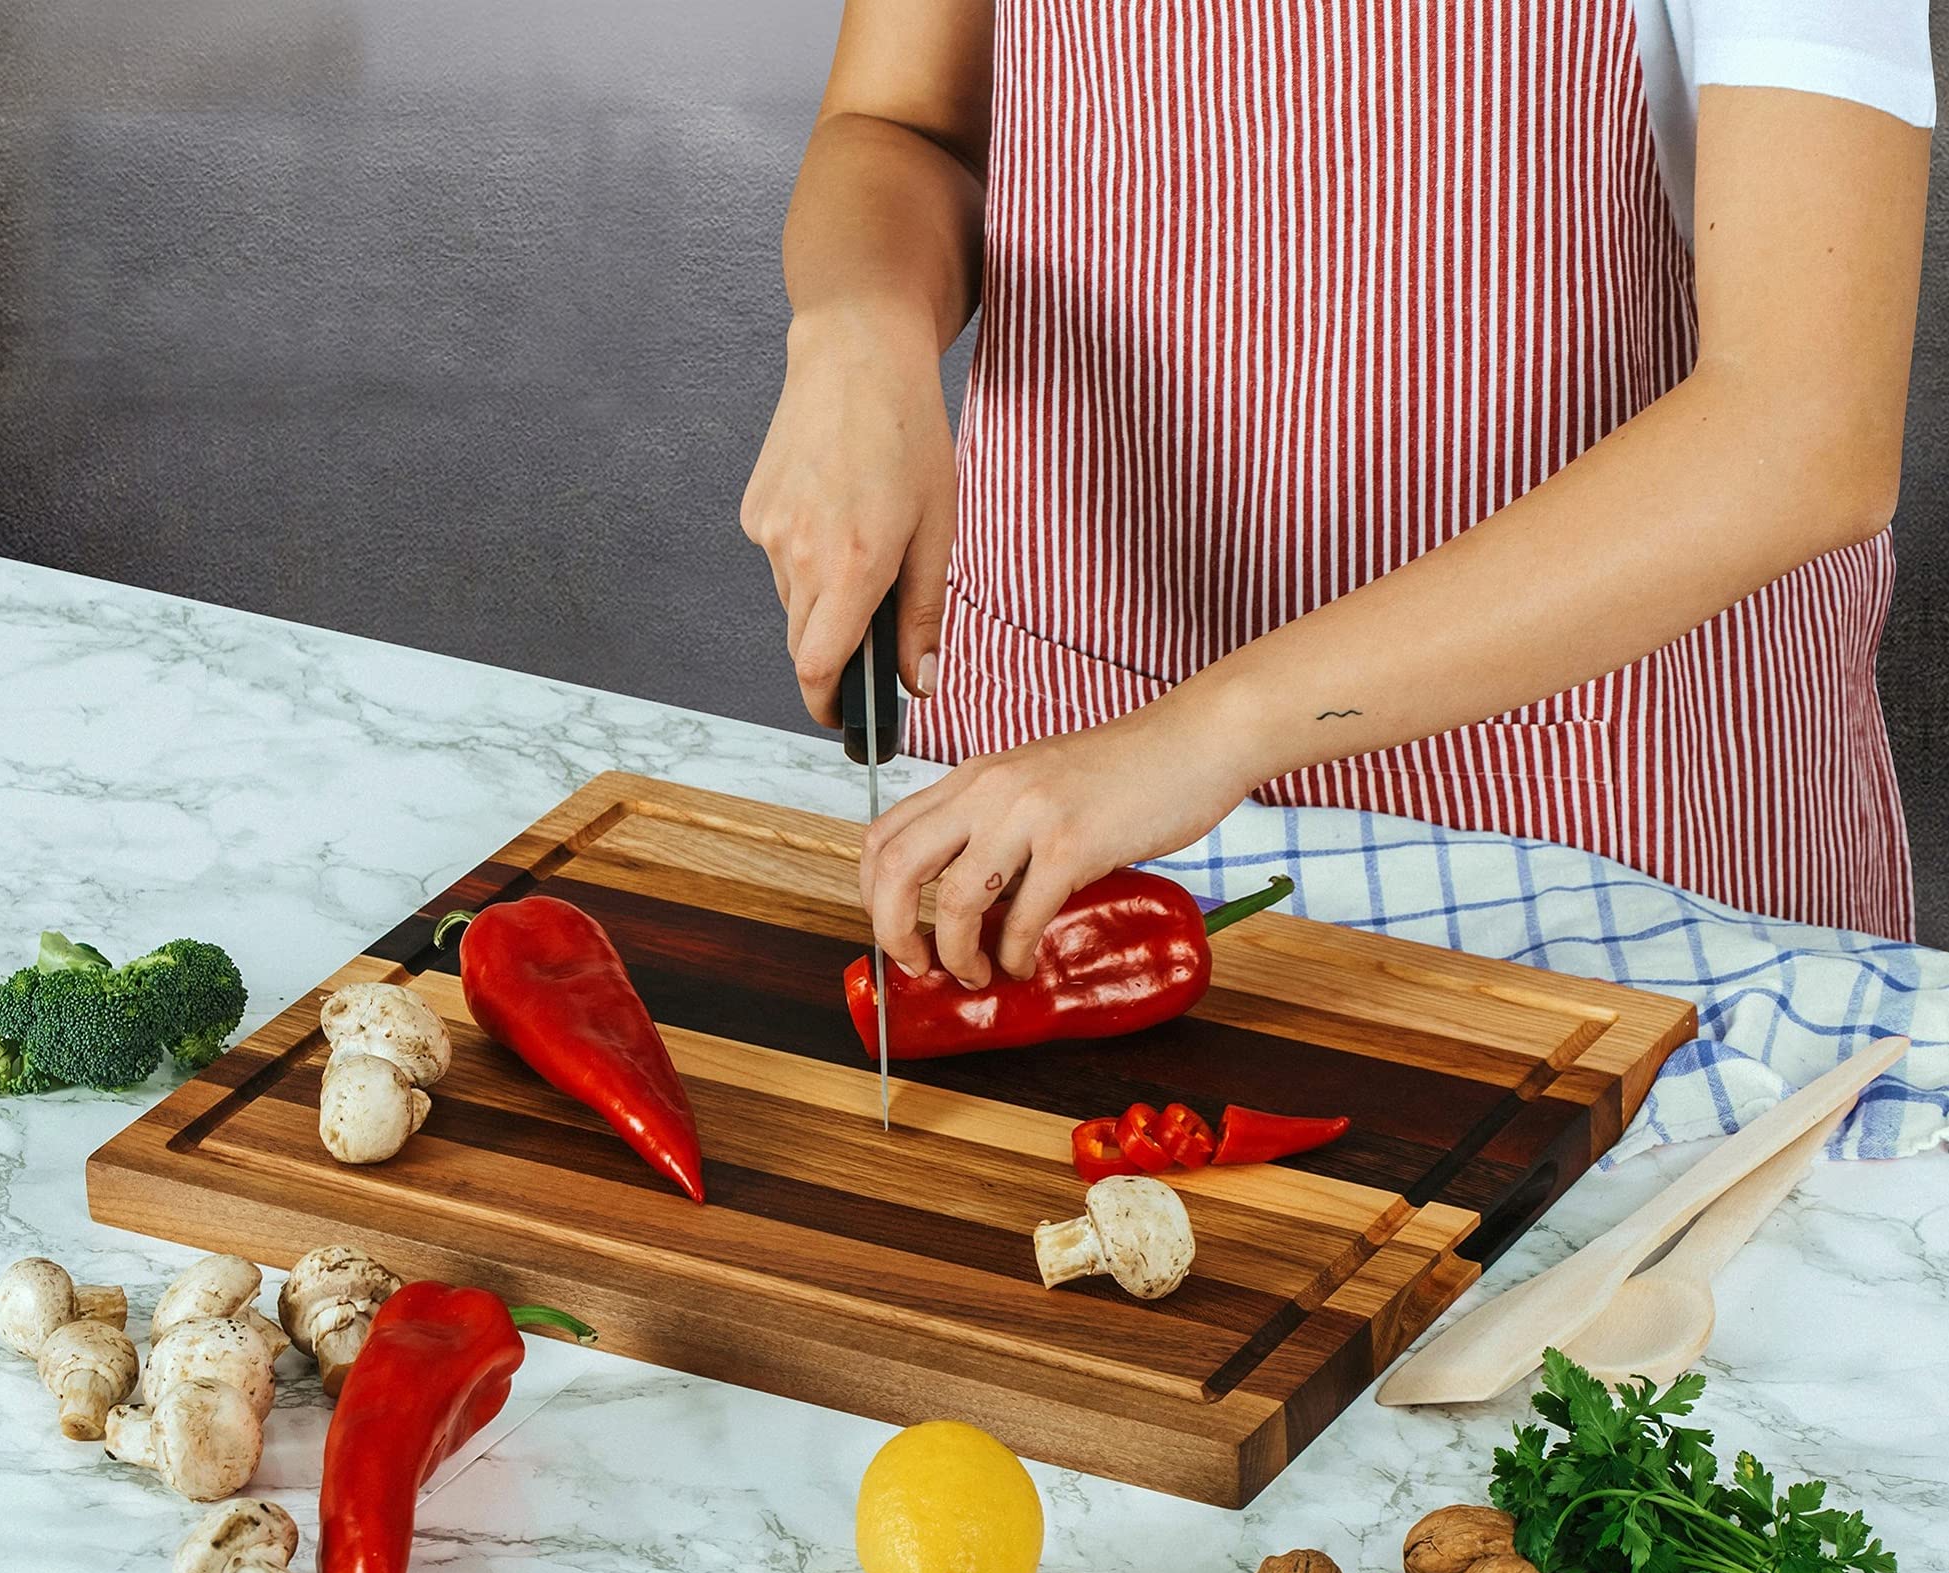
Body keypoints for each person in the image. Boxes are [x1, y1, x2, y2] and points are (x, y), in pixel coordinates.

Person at [742, 0, 1935, 982]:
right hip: (1052, 789)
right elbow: (903, 120)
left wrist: (1212, 733)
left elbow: (1802, 430)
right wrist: (860, 329)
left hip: (1587, 854)